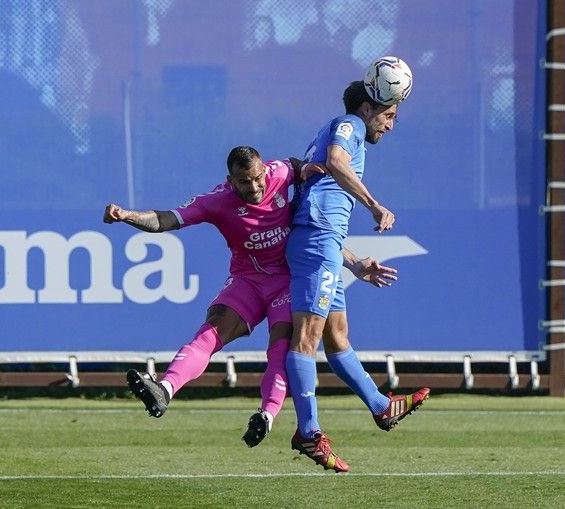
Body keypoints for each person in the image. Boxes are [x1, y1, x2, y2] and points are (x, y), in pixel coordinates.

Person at [103, 146, 398, 448]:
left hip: (287, 283)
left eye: (258, 178)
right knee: (210, 333)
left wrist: (305, 170)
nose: (255, 187)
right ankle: (164, 389)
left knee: (281, 349)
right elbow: (166, 219)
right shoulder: (217, 201)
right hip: (247, 281)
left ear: (264, 170)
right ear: (230, 181)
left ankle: (266, 416)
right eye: (245, 182)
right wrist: (127, 215)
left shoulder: (281, 173)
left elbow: (316, 229)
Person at [285, 82, 431, 472]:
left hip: (324, 243)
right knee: (307, 336)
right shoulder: (348, 125)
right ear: (367, 109)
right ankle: (309, 431)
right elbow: (335, 160)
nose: (390, 125)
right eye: (388, 116)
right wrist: (374, 205)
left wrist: (352, 263)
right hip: (317, 242)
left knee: (336, 336)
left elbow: (322, 219)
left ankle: (382, 407)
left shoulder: (348, 133)